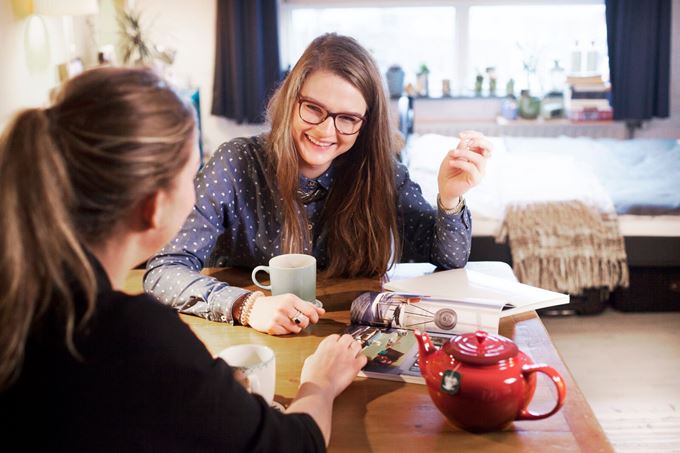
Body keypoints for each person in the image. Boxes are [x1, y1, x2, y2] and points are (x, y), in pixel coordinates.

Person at [0, 67, 366, 451]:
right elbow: (295, 446)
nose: (197, 198)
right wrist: (320, 384)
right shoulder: (132, 335)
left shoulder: (27, 296)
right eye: (192, 177)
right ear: (154, 206)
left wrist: (205, 388)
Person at [145, 33, 492, 336]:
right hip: (250, 340)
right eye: (313, 109)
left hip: (346, 341)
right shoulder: (235, 163)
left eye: (347, 119)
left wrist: (450, 198)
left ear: (365, 124)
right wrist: (245, 305)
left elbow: (446, 260)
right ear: (291, 100)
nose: (326, 132)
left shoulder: (381, 172)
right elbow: (164, 270)